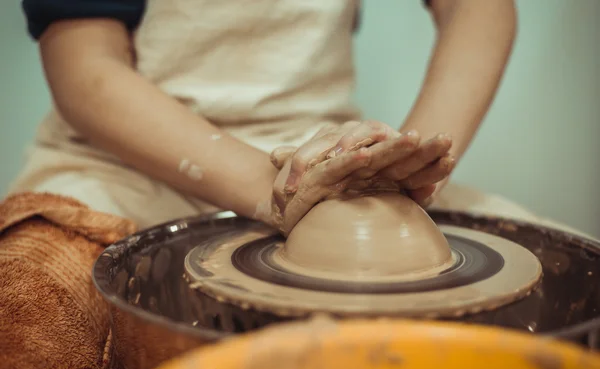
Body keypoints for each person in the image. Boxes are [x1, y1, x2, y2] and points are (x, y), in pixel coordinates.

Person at [11, 0, 521, 234]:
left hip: (315, 151)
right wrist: (275, 188)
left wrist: (407, 163)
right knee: (32, 316)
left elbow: (478, 7)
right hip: (123, 165)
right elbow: (87, 73)